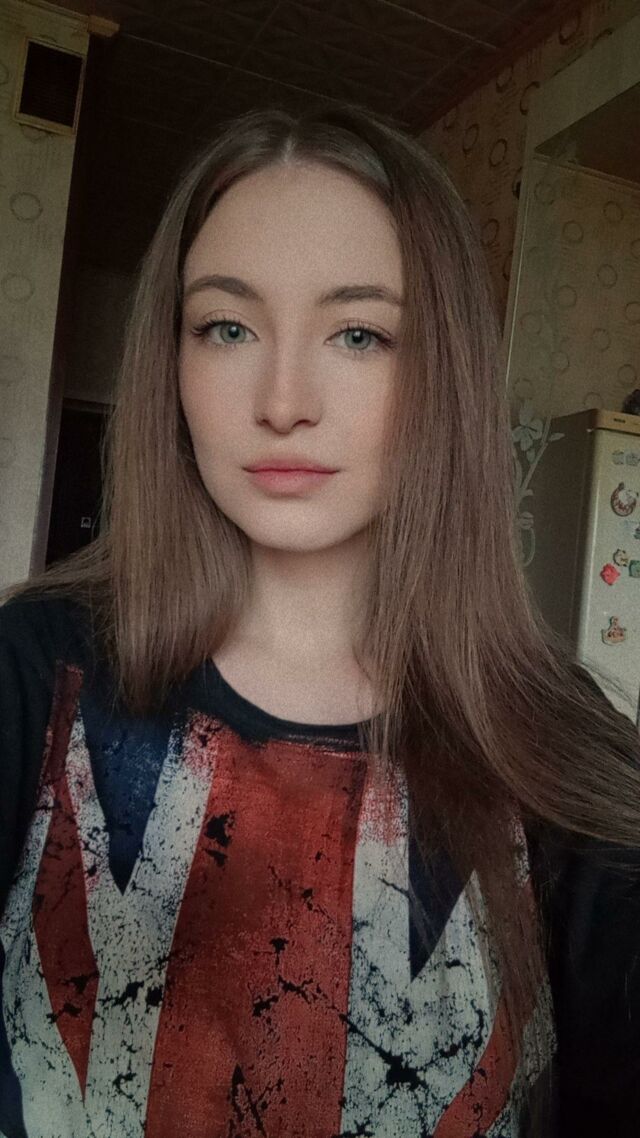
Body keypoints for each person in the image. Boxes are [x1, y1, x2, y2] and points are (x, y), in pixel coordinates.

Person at [0, 101, 639, 1138]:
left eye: (358, 334)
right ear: (172, 362)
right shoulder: (35, 670)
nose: (283, 400)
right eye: (227, 327)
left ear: (442, 374)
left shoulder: (557, 746)